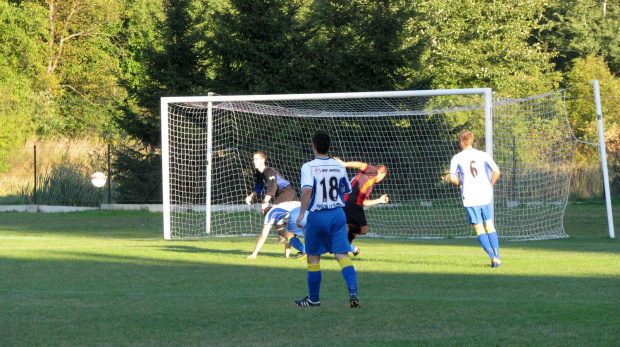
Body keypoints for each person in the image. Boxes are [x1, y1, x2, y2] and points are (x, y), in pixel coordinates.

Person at [294, 130, 360, 308]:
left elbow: (307, 190)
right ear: (328, 147)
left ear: (313, 146)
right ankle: (353, 291)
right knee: (342, 255)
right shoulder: (339, 166)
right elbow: (346, 190)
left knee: (313, 257)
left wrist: (301, 213)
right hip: (338, 214)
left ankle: (314, 299)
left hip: (318, 215)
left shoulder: (308, 166)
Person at [448, 130, 502, 268]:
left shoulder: (457, 158)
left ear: (461, 142)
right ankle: (497, 255)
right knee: (489, 225)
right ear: (472, 141)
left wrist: (461, 183)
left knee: (478, 227)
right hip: (485, 194)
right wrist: (490, 184)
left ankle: (492, 257)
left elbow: (452, 178)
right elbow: (497, 171)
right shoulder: (483, 155)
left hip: (470, 195)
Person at [334, 158, 389, 256]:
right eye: (383, 177)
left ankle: (343, 249)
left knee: (354, 230)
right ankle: (340, 229)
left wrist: (379, 200)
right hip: (352, 202)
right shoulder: (373, 171)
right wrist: (344, 164)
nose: (381, 180)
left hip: (350, 202)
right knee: (363, 229)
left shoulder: (368, 181)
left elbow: (363, 202)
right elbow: (361, 165)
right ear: (382, 173)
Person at [245, 151, 297, 243]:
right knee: (269, 212)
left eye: (256, 159)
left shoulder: (269, 170)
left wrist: (265, 202)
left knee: (272, 211)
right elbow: (259, 187)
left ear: (263, 160)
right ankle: (283, 232)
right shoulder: (260, 173)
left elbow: (272, 188)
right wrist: (250, 197)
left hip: (286, 192)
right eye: (253, 159)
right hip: (282, 194)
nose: (254, 161)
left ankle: (284, 233)